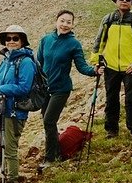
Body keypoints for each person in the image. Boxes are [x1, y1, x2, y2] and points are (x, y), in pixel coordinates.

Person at [36, 10, 101, 171]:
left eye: (68, 22)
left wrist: (94, 71)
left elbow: (81, 66)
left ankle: (51, 158)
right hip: (45, 89)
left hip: (61, 89)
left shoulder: (74, 44)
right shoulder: (46, 40)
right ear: (56, 21)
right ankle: (56, 150)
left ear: (73, 25)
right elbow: (38, 64)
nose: (65, 25)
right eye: (62, 21)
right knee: (47, 121)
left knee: (49, 120)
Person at [90, 0, 132, 142]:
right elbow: (99, 42)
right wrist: (96, 60)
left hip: (130, 67)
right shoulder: (108, 20)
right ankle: (111, 129)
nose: (124, 1)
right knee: (111, 98)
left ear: (131, 3)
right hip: (110, 66)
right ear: (116, 1)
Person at [0, 24, 36, 183]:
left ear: (22, 41)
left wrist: (1, 90)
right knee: (5, 145)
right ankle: (8, 178)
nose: (11, 41)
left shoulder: (25, 62)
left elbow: (24, 88)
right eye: (8, 38)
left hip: (15, 111)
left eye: (15, 38)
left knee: (10, 147)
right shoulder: (5, 60)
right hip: (4, 109)